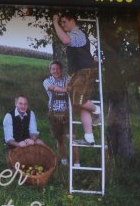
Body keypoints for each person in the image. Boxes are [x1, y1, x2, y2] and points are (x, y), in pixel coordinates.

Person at [54, 13, 101, 144]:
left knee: (79, 101)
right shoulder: (74, 35)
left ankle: (97, 110)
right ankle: (89, 138)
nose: (62, 25)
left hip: (85, 72)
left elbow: (66, 40)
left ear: (72, 21)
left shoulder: (78, 33)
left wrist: (55, 23)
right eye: (61, 23)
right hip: (78, 73)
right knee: (82, 104)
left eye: (64, 22)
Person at [42, 60, 71, 163]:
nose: (56, 71)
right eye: (53, 69)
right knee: (59, 139)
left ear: (61, 69)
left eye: (58, 68)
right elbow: (53, 88)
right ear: (50, 71)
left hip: (67, 114)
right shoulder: (47, 81)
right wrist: (67, 89)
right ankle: (64, 160)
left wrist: (69, 85)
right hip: (53, 114)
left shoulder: (67, 79)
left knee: (71, 138)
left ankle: (76, 162)